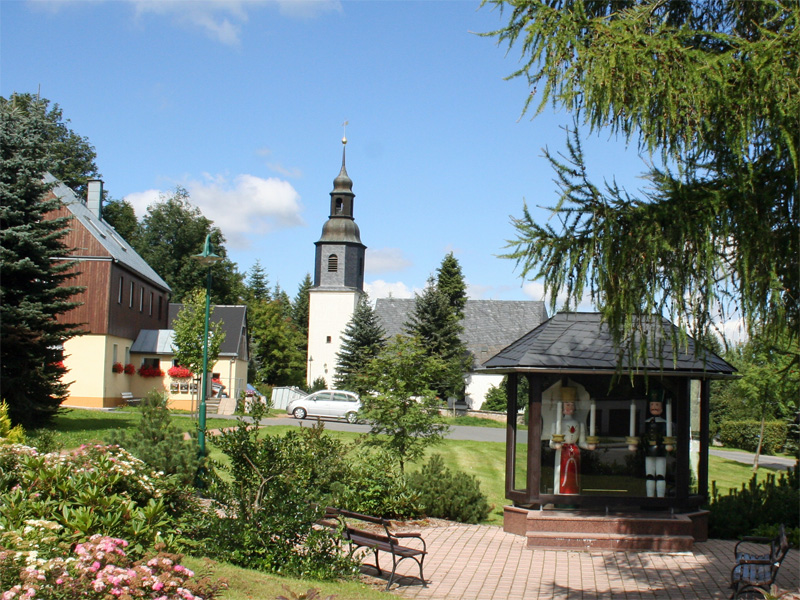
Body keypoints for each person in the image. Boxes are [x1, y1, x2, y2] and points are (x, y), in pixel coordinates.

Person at [550, 387, 588, 495]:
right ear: (561, 406)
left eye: (571, 404)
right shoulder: (557, 424)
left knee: (574, 476)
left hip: (574, 453)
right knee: (561, 475)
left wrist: (589, 445)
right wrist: (556, 445)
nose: (569, 406)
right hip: (563, 453)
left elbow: (581, 442)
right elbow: (551, 443)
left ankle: (574, 494)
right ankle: (560, 495)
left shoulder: (579, 424)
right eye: (566, 403)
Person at [642, 390, 674, 498]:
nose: (654, 407)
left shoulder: (665, 423)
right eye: (652, 404)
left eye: (657, 405)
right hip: (649, 451)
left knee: (661, 475)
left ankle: (660, 498)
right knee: (649, 475)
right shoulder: (646, 422)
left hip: (660, 451)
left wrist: (668, 443)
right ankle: (649, 497)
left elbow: (668, 434)